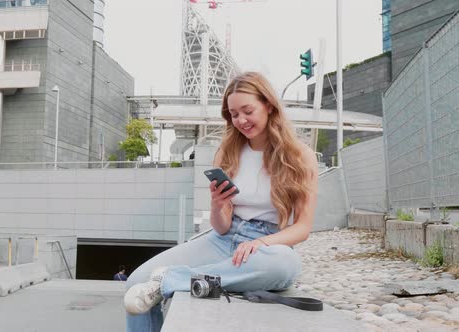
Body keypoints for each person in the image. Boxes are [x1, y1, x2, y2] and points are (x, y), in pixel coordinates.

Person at [123, 72, 319, 332]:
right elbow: (222, 228)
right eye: (233, 114)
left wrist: (259, 243)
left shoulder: (301, 156)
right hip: (224, 240)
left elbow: (302, 228)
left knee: (286, 264)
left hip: (266, 245)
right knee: (135, 281)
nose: (241, 120)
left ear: (269, 106)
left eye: (247, 111)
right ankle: (177, 280)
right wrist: (217, 204)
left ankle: (171, 279)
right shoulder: (227, 152)